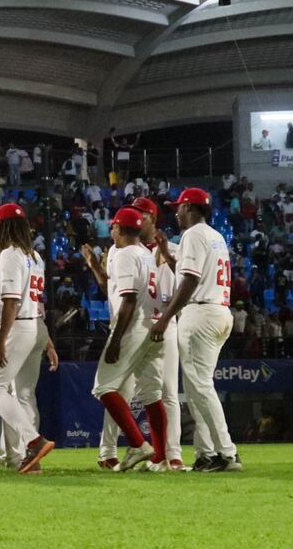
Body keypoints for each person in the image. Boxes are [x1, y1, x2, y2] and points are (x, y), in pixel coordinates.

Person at [150, 187, 243, 472]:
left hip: (200, 313)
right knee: (197, 388)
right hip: (219, 311)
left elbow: (189, 281)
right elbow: (193, 274)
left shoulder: (191, 235)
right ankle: (207, 453)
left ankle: (227, 453)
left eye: (179, 207)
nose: (176, 212)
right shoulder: (215, 236)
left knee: (200, 387)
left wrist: (166, 317)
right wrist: (167, 252)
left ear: (190, 209)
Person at [0, 204, 55, 474]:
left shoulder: (10, 255)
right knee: (23, 394)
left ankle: (34, 442)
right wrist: (46, 339)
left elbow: (11, 302)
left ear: (3, 227)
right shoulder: (35, 256)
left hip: (19, 326)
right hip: (35, 325)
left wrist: (1, 340)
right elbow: (38, 303)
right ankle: (31, 459)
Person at [90, 208, 165, 473]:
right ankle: (162, 458)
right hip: (154, 325)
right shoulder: (146, 253)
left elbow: (129, 300)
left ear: (120, 229)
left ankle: (138, 444)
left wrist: (115, 340)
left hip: (133, 327)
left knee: (103, 387)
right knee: (152, 394)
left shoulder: (124, 254)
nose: (110, 231)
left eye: (113, 227)